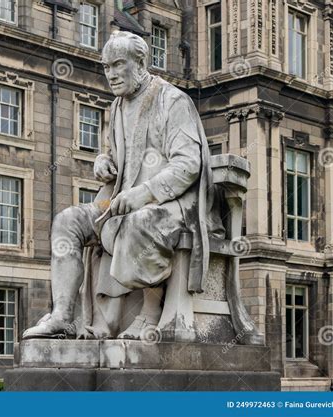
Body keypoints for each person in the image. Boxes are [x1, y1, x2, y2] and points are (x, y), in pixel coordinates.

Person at [23, 31, 222, 339]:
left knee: (138, 221)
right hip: (116, 200)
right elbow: (119, 156)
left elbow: (188, 164)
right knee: (68, 221)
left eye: (118, 65)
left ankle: (149, 313)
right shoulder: (118, 105)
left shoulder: (173, 101)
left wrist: (144, 193)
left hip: (172, 204)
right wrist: (103, 162)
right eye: (106, 67)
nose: (111, 74)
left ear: (140, 62)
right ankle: (62, 315)